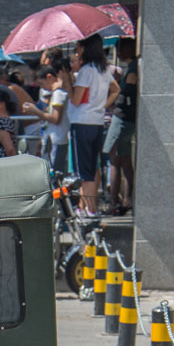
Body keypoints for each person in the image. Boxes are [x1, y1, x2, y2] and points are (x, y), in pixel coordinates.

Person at [63, 34, 117, 216]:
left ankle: (87, 209)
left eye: (79, 46)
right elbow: (116, 89)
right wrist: (102, 105)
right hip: (97, 121)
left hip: (82, 121)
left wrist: (67, 85)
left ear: (86, 48)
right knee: (92, 167)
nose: (77, 50)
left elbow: (76, 99)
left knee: (83, 170)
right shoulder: (103, 69)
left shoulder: (86, 70)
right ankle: (89, 208)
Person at [104, 37, 137, 214]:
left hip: (122, 119)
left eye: (120, 49)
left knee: (114, 159)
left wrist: (115, 91)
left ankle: (115, 202)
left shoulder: (132, 69)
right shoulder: (132, 67)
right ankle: (126, 200)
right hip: (127, 120)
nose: (118, 52)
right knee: (124, 160)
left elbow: (128, 93)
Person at [24, 67, 69, 173]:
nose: (42, 87)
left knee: (55, 175)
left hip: (57, 140)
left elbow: (55, 118)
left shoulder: (58, 93)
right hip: (50, 139)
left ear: (49, 77)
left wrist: (36, 111)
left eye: (41, 83)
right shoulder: (54, 93)